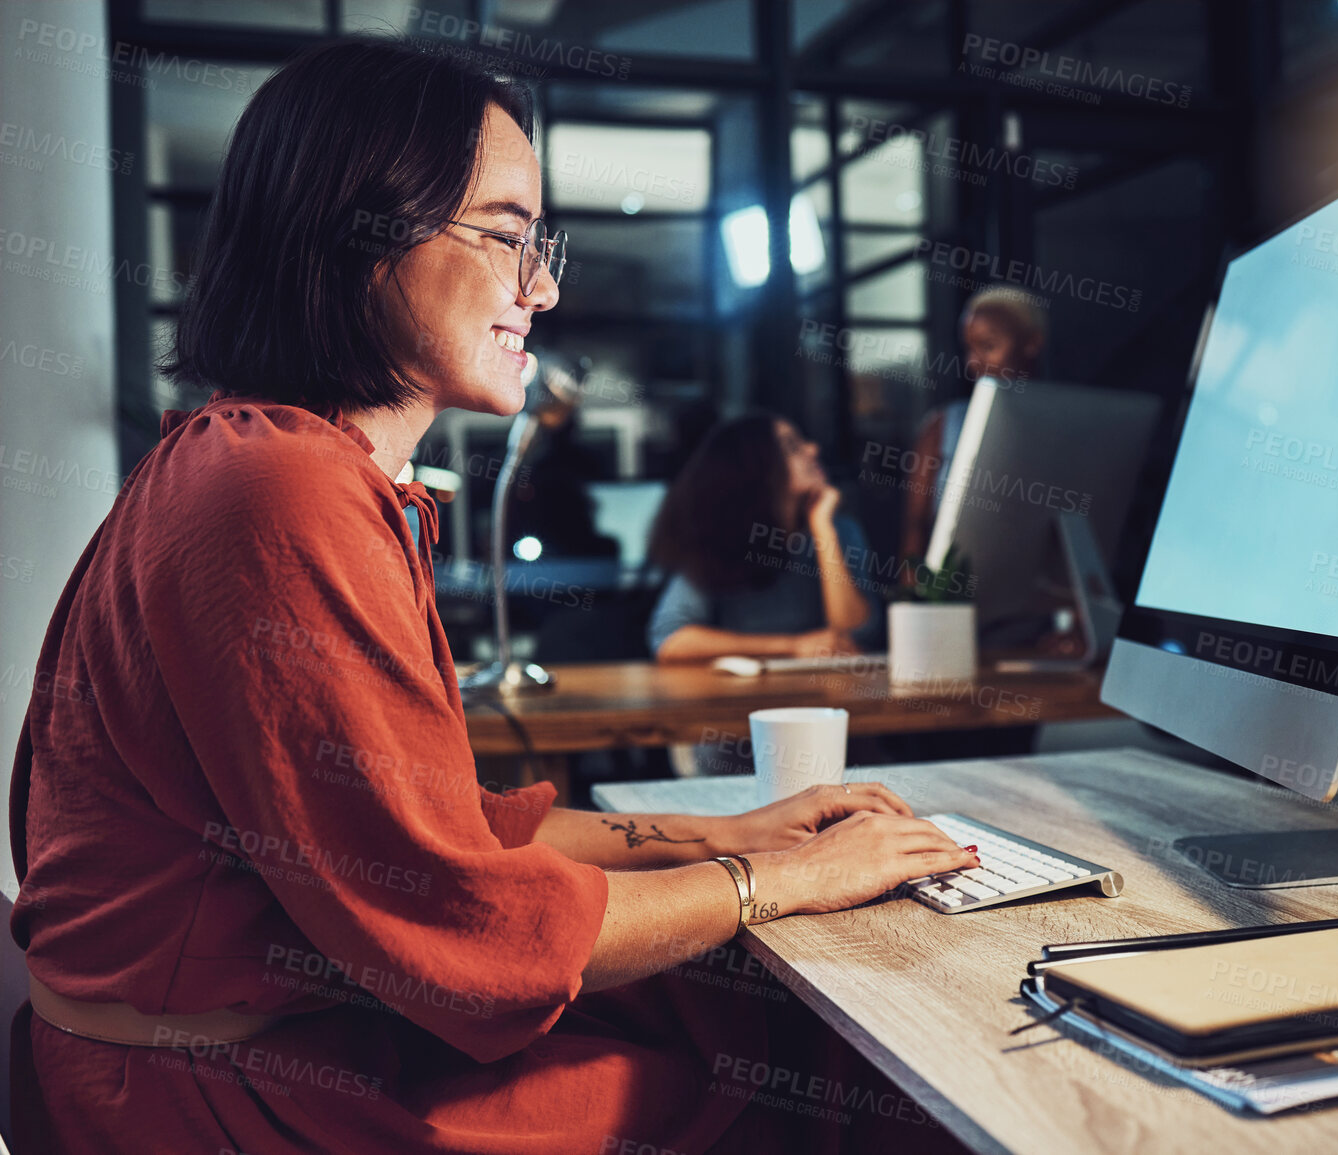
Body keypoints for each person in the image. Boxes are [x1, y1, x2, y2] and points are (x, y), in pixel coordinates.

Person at [8, 39, 977, 1154]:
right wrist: (782, 877)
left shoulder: (270, 462)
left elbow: (446, 833)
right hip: (221, 1100)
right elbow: (460, 925)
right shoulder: (283, 490)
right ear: (359, 230)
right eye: (510, 237)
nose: (545, 286)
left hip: (232, 1045)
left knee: (725, 1010)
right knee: (797, 1065)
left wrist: (734, 835)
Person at [647, 413, 884, 662]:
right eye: (792, 447)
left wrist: (824, 528)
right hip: (742, 696)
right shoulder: (718, 538)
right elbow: (670, 640)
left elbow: (857, 635)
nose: (813, 449)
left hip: (824, 695)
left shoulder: (840, 531)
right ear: (755, 469)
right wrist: (792, 646)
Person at [899, 285, 1048, 568]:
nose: (972, 363)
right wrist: (912, 603)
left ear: (1032, 343)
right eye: (969, 348)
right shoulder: (940, 427)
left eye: (988, 347)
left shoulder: (1061, 425)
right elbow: (914, 531)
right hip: (956, 590)